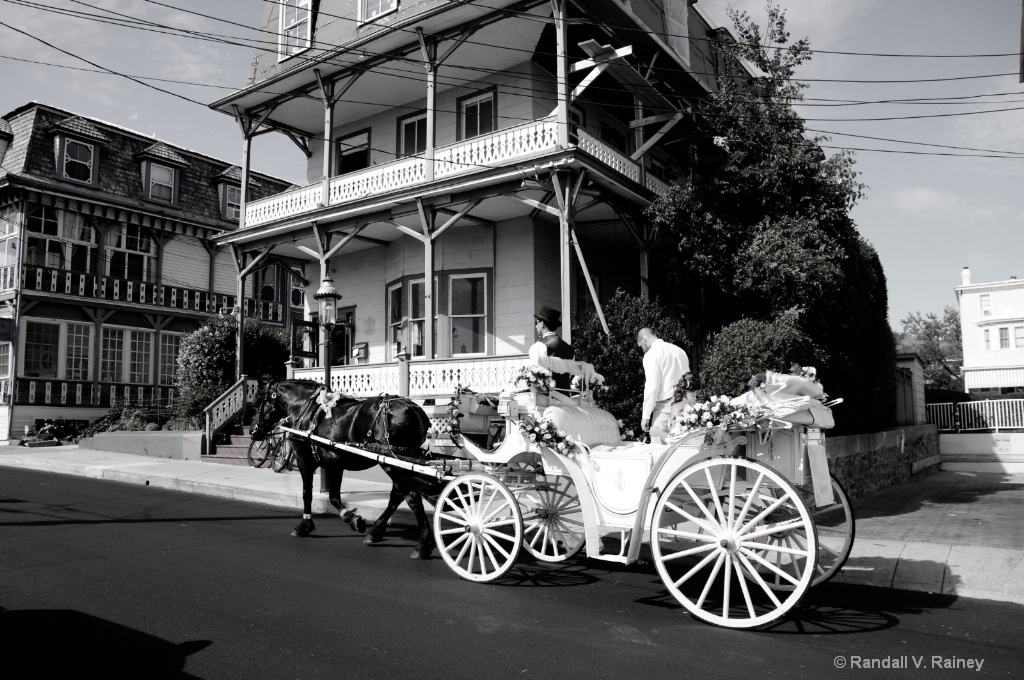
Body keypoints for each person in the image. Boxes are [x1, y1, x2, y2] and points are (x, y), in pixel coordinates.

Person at [637, 327, 690, 439]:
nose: (643, 349)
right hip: (685, 404)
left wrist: (646, 415)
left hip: (666, 407)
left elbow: (652, 387)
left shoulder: (652, 354)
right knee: (681, 446)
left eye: (641, 346)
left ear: (644, 338)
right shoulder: (680, 351)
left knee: (659, 449)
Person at [528, 305, 575, 391]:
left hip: (546, 397)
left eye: (536, 323)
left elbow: (534, 375)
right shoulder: (569, 349)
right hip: (566, 396)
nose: (535, 326)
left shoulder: (539, 346)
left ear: (542, 324)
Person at [649, 372, 699, 444]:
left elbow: (673, 438)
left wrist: (657, 431)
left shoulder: (677, 407)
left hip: (683, 450)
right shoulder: (704, 405)